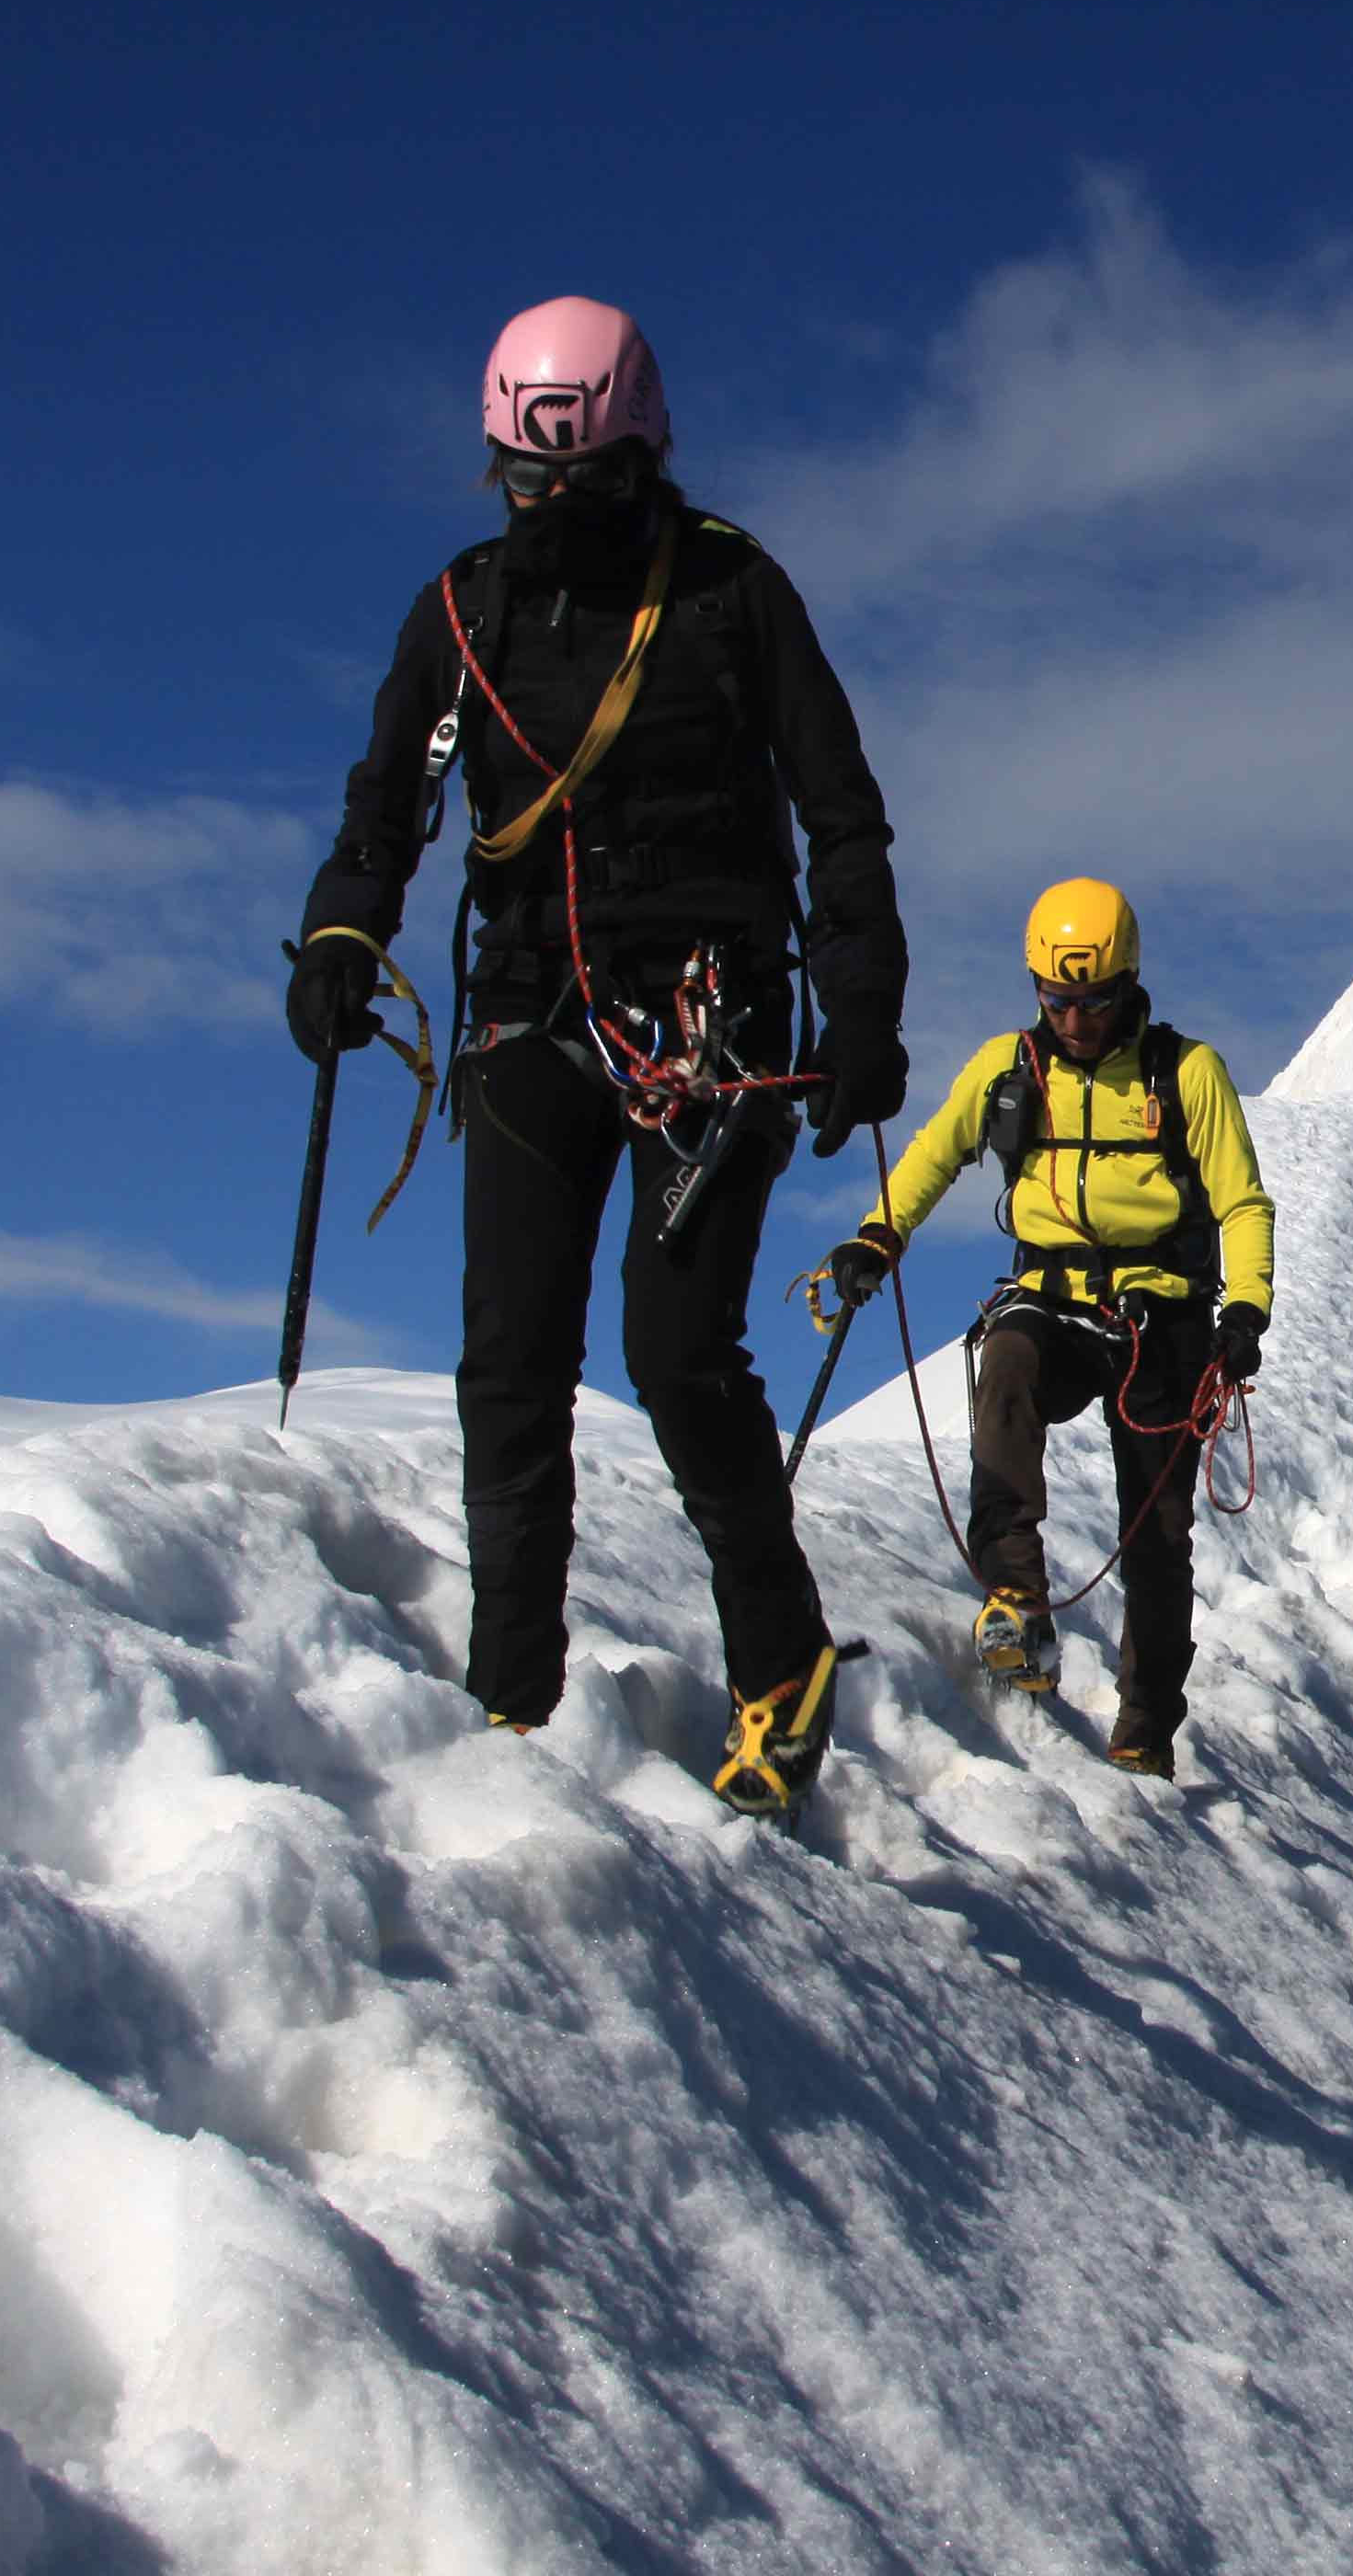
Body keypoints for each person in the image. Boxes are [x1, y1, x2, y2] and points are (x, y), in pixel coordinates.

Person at [288, 296, 905, 1822]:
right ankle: (511, 1702)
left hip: (718, 1026)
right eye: (525, 481)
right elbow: (385, 807)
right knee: (510, 1360)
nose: (551, 508)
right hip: (523, 1015)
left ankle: (779, 1666)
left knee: (674, 1347)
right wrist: (338, 937)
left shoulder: (729, 594)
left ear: (637, 450)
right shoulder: (461, 615)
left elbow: (840, 814)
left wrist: (860, 1004)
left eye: (578, 480)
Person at [828, 880, 1271, 1780]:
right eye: (1058, 999)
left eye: (1094, 1000)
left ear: (1128, 984)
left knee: (1158, 1530)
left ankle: (1146, 1722)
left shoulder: (1187, 1074)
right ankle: (1016, 1603)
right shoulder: (1007, 1067)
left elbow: (1243, 1200)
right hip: (1052, 1293)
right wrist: (880, 1232)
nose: (1074, 1019)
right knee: (1008, 1366)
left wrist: (1246, 1310)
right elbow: (934, 1153)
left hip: (1165, 1315)